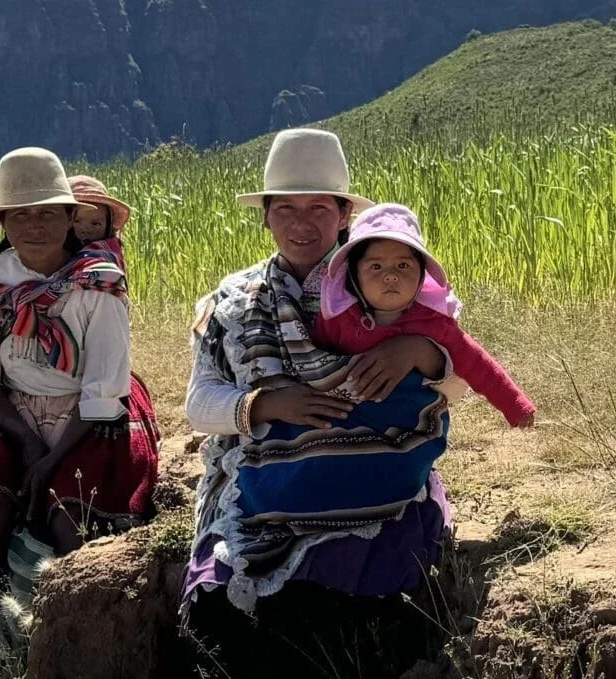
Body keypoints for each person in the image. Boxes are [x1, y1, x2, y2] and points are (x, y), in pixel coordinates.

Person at [181, 129, 466, 678]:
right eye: (285, 208)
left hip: (372, 475)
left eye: (318, 207)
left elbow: (456, 387)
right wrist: (268, 405)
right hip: (262, 487)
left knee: (364, 590)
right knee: (225, 598)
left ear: (343, 216)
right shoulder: (235, 302)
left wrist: (420, 351)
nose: (301, 223)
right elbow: (200, 404)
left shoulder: (387, 283)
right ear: (265, 216)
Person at [0, 147, 160, 617]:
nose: (34, 226)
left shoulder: (98, 282)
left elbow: (104, 383)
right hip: (10, 410)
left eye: (47, 213)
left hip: (83, 416)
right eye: (21, 215)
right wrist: (24, 440)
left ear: (70, 217)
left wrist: (51, 459)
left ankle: (73, 622)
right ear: (4, 224)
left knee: (70, 511)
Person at [313, 202, 536, 428]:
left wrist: (516, 406)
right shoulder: (338, 320)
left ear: (422, 274)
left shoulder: (434, 322)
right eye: (376, 267)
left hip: (412, 425)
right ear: (354, 276)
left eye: (403, 265)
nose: (390, 276)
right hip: (347, 423)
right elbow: (310, 361)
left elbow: (479, 366)